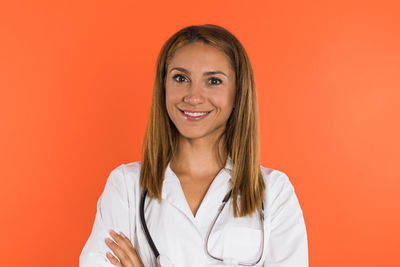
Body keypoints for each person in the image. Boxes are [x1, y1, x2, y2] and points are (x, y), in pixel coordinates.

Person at [79, 24, 308, 267]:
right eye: (181, 78)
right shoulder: (125, 186)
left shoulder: (274, 192)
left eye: (213, 81)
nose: (193, 96)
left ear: (238, 94)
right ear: (163, 87)